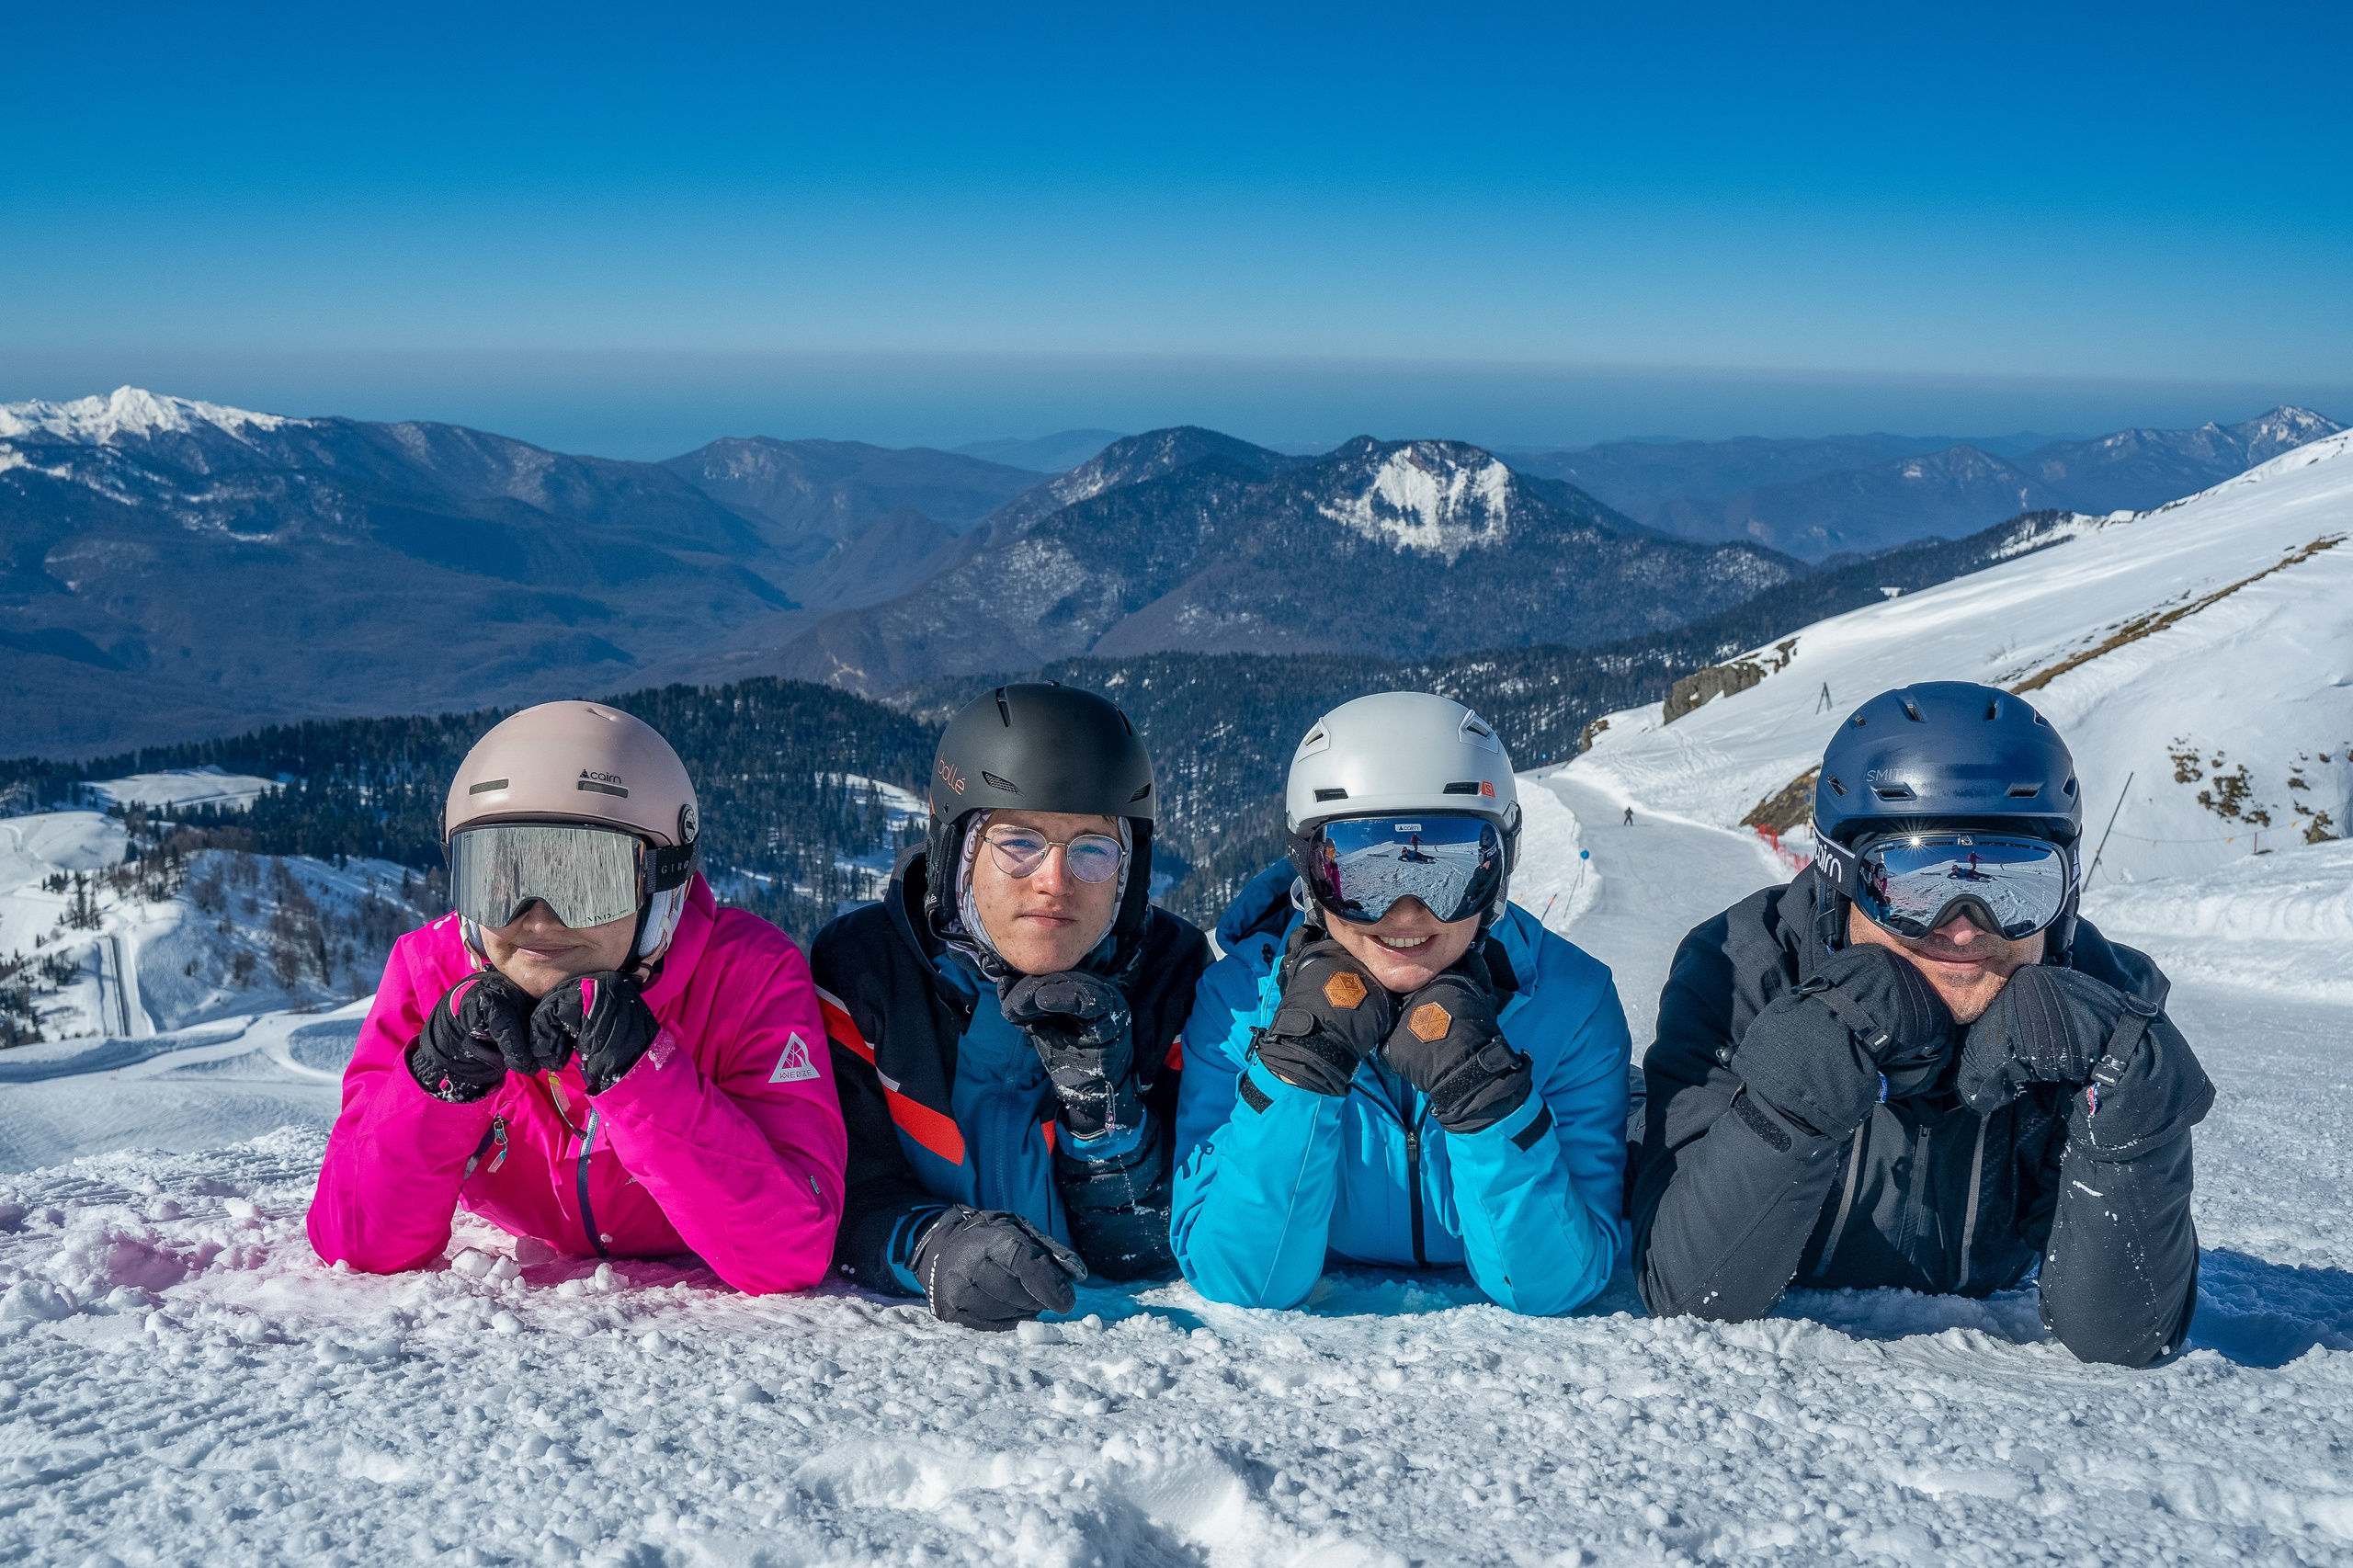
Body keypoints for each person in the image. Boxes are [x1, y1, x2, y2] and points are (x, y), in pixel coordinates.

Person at [1630, 682, 2214, 1367]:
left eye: (2011, 885)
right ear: (1837, 881)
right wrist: (1804, 1074)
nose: (1963, 931)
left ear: (2067, 895)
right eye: (1913, 885)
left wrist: (2129, 1089)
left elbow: (2125, 1338)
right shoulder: (1742, 973)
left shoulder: (2105, 1008)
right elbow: (1686, 1293)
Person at [308, 702, 847, 1295]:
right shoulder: (431, 972)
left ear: (660, 886)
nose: (537, 920)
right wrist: (440, 1076)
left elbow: (792, 1249)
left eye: (587, 881)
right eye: (500, 880)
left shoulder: (746, 978)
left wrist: (645, 1073)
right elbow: (355, 1243)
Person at [1171, 692, 1631, 1315]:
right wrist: (1298, 1066)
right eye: (1363, 874)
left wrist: (1484, 1092)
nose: (1407, 914)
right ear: (1307, 875)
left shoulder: (1571, 1008)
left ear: (1500, 870)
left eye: (1449, 866)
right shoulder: (1239, 1009)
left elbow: (1556, 1283)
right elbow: (1247, 1280)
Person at [813, 684, 1211, 1331]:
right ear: (960, 854)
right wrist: (933, 1246)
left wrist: (1104, 1121)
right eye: (1019, 843)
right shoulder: (866, 974)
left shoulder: (1172, 980)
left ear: (1127, 872)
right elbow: (842, 1191)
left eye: (1091, 849)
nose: (1054, 881)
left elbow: (1147, 1249)